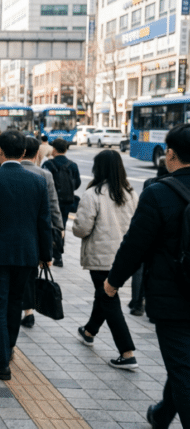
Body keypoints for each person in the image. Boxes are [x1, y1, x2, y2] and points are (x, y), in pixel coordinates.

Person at [104, 124, 190, 428]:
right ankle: (163, 414)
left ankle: (167, 413)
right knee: (183, 364)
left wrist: (113, 281)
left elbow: (135, 245)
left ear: (170, 153)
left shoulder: (159, 193)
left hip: (174, 299)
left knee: (182, 367)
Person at [0, 130, 52, 380]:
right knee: (15, 303)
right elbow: (43, 222)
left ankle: (2, 362)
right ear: (25, 152)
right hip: (27, 254)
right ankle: (10, 349)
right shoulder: (37, 181)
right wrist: (46, 255)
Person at [72, 150, 139, 369]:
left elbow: (82, 228)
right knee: (105, 294)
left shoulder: (93, 194)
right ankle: (89, 331)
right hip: (124, 258)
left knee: (109, 299)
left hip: (101, 258)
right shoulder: (131, 193)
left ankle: (127, 353)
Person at [19, 136, 64, 328]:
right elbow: (53, 205)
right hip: (35, 234)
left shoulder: (6, 172)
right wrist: (59, 227)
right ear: (37, 153)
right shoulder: (44, 175)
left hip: (11, 234)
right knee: (30, 273)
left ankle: (21, 308)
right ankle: (28, 311)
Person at [128, 158, 169, 316]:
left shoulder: (150, 183)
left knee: (141, 268)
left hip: (151, 233)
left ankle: (138, 303)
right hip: (171, 237)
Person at [43, 138, 82, 267]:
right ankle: (59, 256)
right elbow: (77, 183)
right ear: (66, 149)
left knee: (48, 226)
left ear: (54, 149)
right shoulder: (73, 165)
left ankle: (50, 253)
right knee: (62, 226)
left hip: (50, 201)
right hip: (66, 202)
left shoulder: (49, 164)